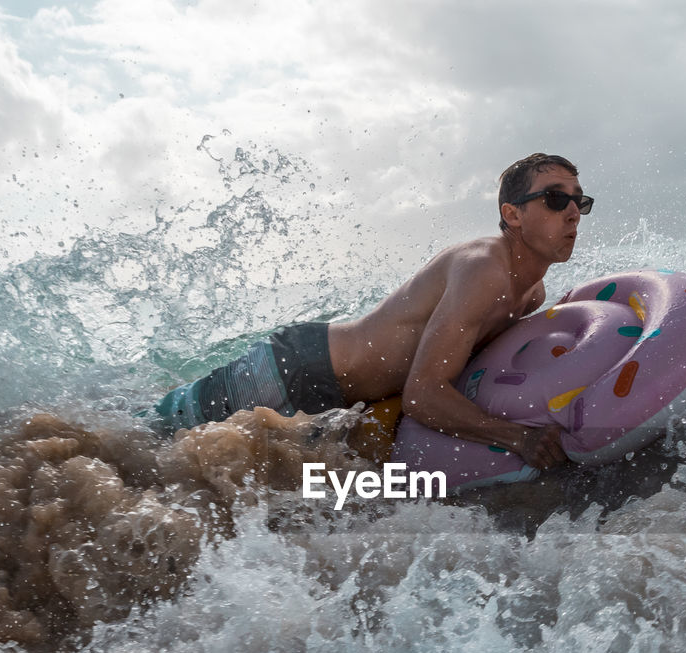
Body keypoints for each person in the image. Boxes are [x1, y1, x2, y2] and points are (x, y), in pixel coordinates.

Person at [154, 152, 593, 470]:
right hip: (302, 368)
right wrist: (519, 438)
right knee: (149, 439)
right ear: (512, 215)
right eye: (556, 199)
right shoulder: (483, 270)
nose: (573, 212)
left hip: (343, 406)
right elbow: (424, 394)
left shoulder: (532, 292)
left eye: (580, 201)